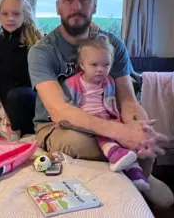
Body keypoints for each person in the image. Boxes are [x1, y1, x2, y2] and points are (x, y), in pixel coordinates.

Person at [27, 0, 174, 208]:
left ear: (94, 5)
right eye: (68, 0)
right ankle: (128, 175)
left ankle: (142, 174)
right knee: (81, 144)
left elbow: (127, 100)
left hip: (107, 115)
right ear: (57, 7)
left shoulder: (112, 44)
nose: (76, 7)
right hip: (56, 125)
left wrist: (138, 128)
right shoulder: (42, 51)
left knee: (142, 129)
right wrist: (120, 132)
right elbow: (59, 109)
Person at [64, 35, 149, 191]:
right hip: (87, 122)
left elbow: (113, 103)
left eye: (106, 64)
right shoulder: (72, 83)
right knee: (104, 135)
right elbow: (66, 107)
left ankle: (136, 174)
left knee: (128, 138)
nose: (100, 69)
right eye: (94, 65)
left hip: (109, 118)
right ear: (82, 65)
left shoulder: (109, 81)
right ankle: (115, 154)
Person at [0, 0, 43, 137]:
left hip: (28, 100)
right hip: (7, 99)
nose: (10, 18)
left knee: (16, 94)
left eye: (16, 14)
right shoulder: (0, 39)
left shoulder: (34, 41)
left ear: (25, 15)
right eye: (5, 14)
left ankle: (15, 131)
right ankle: (8, 120)